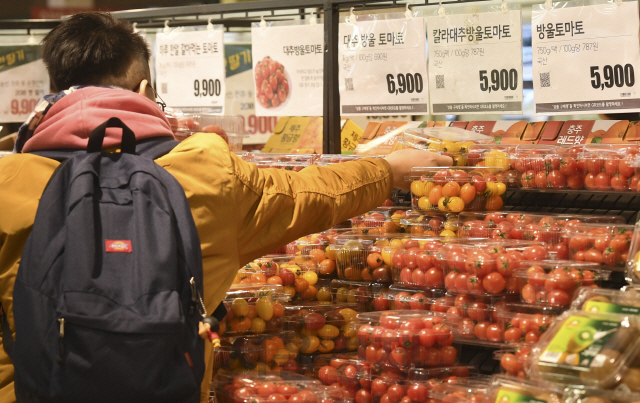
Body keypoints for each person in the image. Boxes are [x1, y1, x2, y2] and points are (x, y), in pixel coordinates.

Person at [0, 12, 452, 403]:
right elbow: (309, 195)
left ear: (55, 87)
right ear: (145, 88)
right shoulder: (205, 173)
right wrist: (388, 170)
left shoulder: (6, 183)